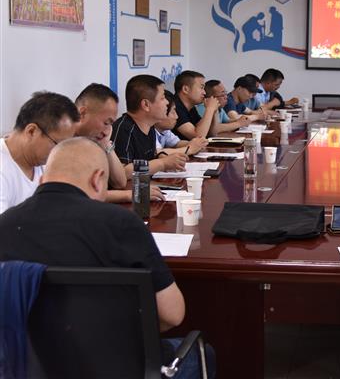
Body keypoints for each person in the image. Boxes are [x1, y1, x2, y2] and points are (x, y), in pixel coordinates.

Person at [0, 137, 215, 377]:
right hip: (118, 365)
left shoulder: (5, 225)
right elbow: (172, 314)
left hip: (26, 366)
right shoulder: (121, 223)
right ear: (98, 179)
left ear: (42, 179)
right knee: (202, 354)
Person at [1, 92, 78, 213]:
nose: (60, 153)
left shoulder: (45, 164)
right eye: (58, 144)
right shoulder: (3, 169)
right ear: (31, 131)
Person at [74, 83, 149, 204]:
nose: (107, 130)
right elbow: (78, 194)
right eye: (106, 123)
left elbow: (120, 182)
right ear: (82, 113)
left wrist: (106, 145)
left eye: (110, 124)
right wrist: (127, 195)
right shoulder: (63, 144)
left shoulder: (95, 140)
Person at [112, 74, 187, 176]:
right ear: (146, 105)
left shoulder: (150, 126)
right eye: (162, 98)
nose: (167, 102)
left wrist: (163, 157)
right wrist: (162, 163)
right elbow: (124, 171)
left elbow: (150, 158)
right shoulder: (124, 129)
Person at [156, 91, 208, 156]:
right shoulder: (150, 130)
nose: (177, 117)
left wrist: (196, 144)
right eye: (173, 112)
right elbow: (157, 152)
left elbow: (176, 143)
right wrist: (189, 149)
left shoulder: (164, 130)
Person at [173, 70, 219, 140]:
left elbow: (212, 134)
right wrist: (210, 109)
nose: (204, 92)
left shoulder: (191, 108)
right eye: (201, 88)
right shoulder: (175, 107)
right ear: (185, 89)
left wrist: (214, 111)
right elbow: (198, 137)